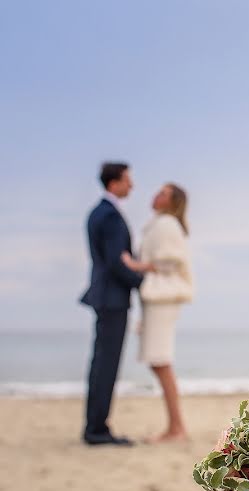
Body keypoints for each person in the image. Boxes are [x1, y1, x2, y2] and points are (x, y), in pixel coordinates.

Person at [80, 162, 150, 446]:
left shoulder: (102, 212)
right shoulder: (109, 215)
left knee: (102, 363)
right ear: (114, 183)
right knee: (106, 365)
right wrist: (143, 281)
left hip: (107, 296)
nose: (131, 185)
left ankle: (95, 426)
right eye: (127, 180)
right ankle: (97, 430)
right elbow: (115, 262)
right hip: (112, 298)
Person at [122, 183, 194, 443]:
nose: (155, 195)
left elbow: (171, 259)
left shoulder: (167, 224)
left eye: (163, 193)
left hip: (163, 298)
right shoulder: (160, 224)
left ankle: (177, 428)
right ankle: (175, 426)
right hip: (157, 299)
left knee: (161, 360)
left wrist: (136, 265)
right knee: (158, 361)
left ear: (172, 201)